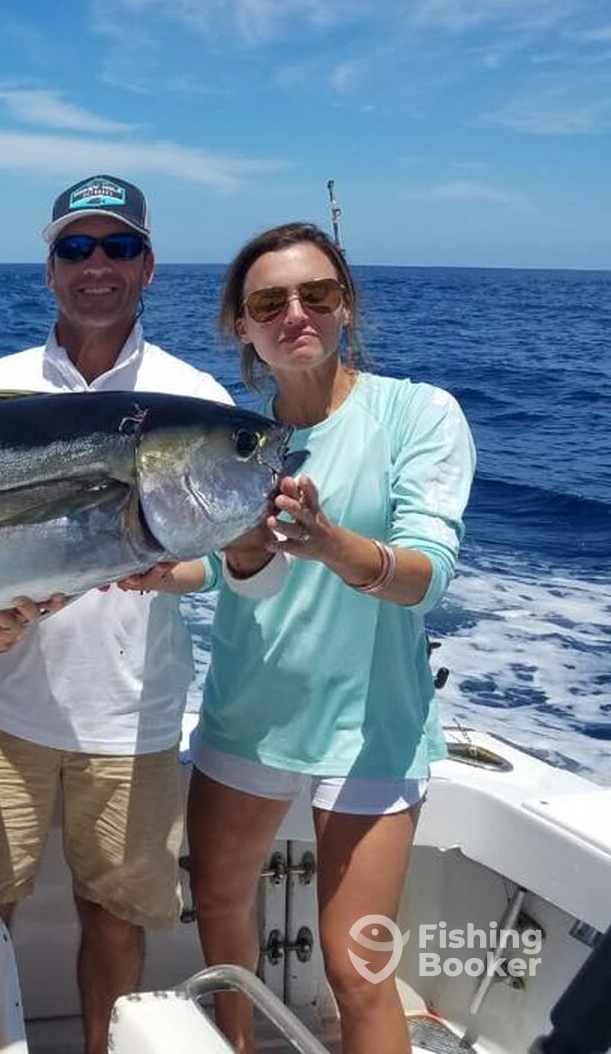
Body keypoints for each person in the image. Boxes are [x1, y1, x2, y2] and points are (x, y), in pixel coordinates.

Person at [0, 175, 281, 1054]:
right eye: (76, 248)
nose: (98, 266)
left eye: (118, 247)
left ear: (149, 267)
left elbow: (229, 563)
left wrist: (183, 574)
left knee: (115, 920)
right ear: (49, 268)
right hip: (2, 707)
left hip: (133, 717)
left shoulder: (190, 395)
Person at [186, 222, 476, 1054]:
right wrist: (139, 564)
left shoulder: (418, 413)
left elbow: (426, 573)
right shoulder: (236, 441)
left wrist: (327, 541)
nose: (295, 314)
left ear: (345, 304)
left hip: (372, 727)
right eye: (269, 302)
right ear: (242, 326)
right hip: (251, 712)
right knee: (219, 923)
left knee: (357, 970)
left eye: (315, 294)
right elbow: (215, 571)